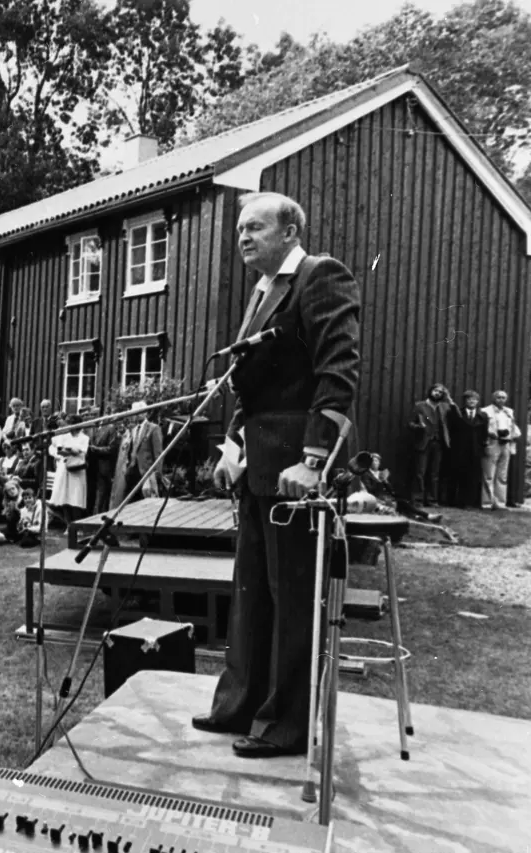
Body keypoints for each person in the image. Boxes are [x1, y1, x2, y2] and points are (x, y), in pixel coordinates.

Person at [197, 191, 360, 759]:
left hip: (295, 467)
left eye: (256, 227)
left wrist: (314, 460)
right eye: (241, 228)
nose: (243, 237)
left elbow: (338, 372)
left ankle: (286, 725)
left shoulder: (320, 277)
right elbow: (250, 385)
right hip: (257, 465)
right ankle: (239, 704)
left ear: (290, 232)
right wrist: (231, 446)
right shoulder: (261, 292)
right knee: (250, 594)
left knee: (292, 598)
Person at [408, 383, 456, 507]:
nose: (437, 394)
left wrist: (449, 399)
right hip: (423, 442)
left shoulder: (444, 407)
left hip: (438, 443)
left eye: (440, 392)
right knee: (420, 472)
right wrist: (419, 427)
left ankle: (432, 500)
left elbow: (457, 415)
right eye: (435, 391)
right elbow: (410, 424)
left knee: (434, 474)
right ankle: (417, 499)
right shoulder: (420, 406)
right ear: (430, 391)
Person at [446, 390, 488, 508]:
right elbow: (451, 429)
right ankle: (453, 501)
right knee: (457, 475)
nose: (472, 401)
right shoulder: (456, 413)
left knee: (472, 477)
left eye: (474, 399)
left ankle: (468, 502)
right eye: (469, 399)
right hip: (459, 449)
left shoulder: (482, 416)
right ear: (465, 401)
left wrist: (481, 447)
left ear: (477, 401)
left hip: (475, 451)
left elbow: (484, 433)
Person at [481, 389, 522, 510]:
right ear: (493, 398)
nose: (501, 399)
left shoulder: (509, 411)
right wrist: (492, 434)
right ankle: (487, 504)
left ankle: (500, 503)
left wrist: (512, 437)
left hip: (506, 444)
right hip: (492, 443)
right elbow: (483, 428)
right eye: (498, 397)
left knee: (502, 476)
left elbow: (513, 427)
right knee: (488, 475)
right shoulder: (485, 411)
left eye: (503, 397)